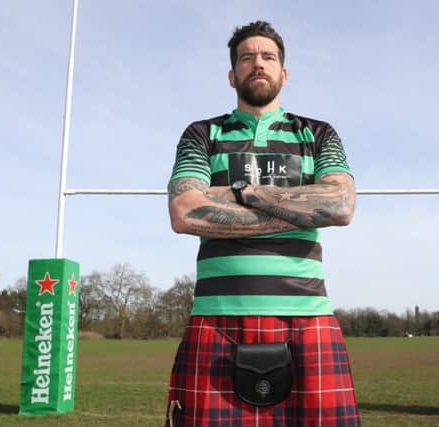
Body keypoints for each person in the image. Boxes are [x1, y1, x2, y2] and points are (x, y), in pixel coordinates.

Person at [165, 21, 360, 426]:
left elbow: (340, 207)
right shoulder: (202, 134)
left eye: (268, 57)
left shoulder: (318, 134)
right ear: (231, 74)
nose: (258, 64)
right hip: (216, 317)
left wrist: (243, 192)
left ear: (283, 74)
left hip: (308, 316)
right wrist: (300, 201)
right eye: (247, 58)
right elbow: (185, 213)